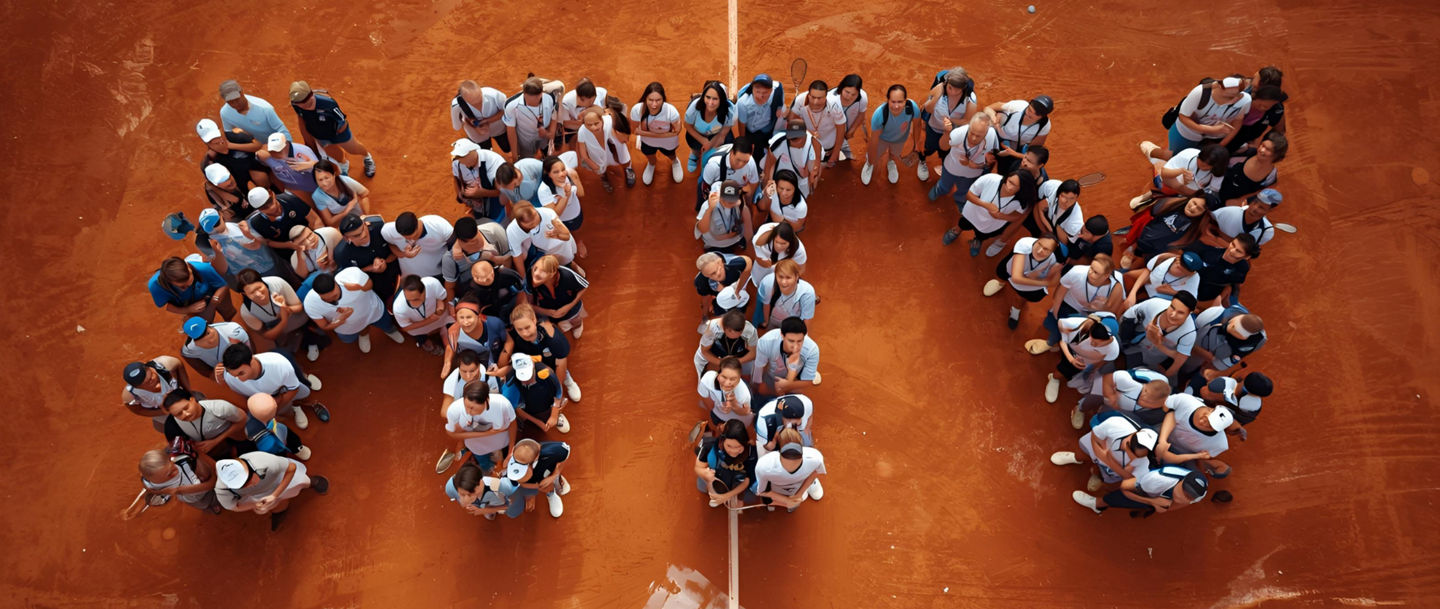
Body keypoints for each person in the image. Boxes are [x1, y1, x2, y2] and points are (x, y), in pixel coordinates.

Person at [1028, 253, 1124, 355]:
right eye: (1091, 268)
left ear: (1106, 275)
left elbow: (1112, 313)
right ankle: (1051, 343)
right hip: (1070, 305)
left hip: (1093, 314)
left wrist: (1102, 308)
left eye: (1096, 272)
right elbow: (1060, 292)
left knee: (1106, 336)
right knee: (1065, 328)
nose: (1090, 272)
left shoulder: (1116, 285)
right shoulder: (1077, 272)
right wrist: (1055, 312)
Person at [221, 342, 327, 428]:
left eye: (241, 373)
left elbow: (294, 389)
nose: (239, 379)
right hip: (274, 394)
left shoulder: (280, 365)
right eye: (234, 375)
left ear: (252, 361)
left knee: (301, 383)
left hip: (285, 380)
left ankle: (304, 379)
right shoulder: (230, 377)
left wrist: (275, 408)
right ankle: (296, 407)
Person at [214, 452, 328, 529]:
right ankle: (280, 511)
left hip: (281, 479)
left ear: (253, 470)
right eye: (241, 486)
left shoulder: (266, 462)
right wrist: (255, 505)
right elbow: (233, 506)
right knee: (275, 507)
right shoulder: (221, 490)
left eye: (248, 480)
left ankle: (312, 482)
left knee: (302, 481)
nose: (249, 486)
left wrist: (274, 495)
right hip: (258, 496)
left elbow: (291, 468)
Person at [302, 268, 405, 353]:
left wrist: (359, 287)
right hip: (349, 328)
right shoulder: (310, 303)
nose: (331, 300)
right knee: (348, 339)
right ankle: (363, 334)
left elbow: (370, 285)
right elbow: (324, 326)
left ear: (336, 283)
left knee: (387, 324)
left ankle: (390, 331)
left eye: (334, 296)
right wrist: (341, 319)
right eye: (326, 299)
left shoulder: (352, 275)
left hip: (373, 311)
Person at [287, 81, 376, 178]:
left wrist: (339, 135)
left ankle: (367, 157)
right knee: (334, 153)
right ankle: (344, 165)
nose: (304, 105)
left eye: (306, 100)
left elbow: (342, 120)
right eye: (299, 103)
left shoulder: (329, 104)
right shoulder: (296, 105)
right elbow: (301, 118)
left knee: (353, 149)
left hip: (338, 132)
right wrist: (309, 137)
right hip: (319, 134)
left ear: (311, 94)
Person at [1148, 76, 1252, 158]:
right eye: (1229, 97)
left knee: (1198, 159)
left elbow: (1238, 122)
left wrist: (1220, 145)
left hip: (1212, 138)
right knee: (1174, 156)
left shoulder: (1245, 100)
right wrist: (1211, 130)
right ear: (1219, 87)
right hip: (1187, 132)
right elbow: (1183, 117)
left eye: (1238, 95)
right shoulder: (1199, 93)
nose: (1234, 100)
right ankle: (1150, 150)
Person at [942, 169, 1037, 258]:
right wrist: (986, 205)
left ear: (1023, 189)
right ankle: (956, 230)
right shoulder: (991, 179)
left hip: (990, 225)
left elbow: (1017, 216)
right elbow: (969, 195)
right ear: (1007, 177)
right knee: (963, 223)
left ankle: (977, 240)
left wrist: (1000, 216)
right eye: (1010, 181)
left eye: (1015, 186)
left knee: (982, 235)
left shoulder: (1023, 200)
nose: (1009, 187)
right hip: (973, 213)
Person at [1050, 417, 1158, 493]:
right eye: (1130, 449)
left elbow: (1130, 479)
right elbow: (1094, 436)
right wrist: (1101, 453)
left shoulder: (1146, 464)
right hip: (1098, 448)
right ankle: (1075, 458)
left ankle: (1097, 475)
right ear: (1133, 434)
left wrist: (1108, 460)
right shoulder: (1118, 423)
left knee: (1105, 478)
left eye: (1137, 456)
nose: (1132, 456)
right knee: (1081, 453)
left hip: (1111, 469)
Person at [1045, 315, 1121, 419]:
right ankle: (1054, 378)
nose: (1093, 344)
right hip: (1071, 353)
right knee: (1063, 370)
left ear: (1110, 339)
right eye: (1092, 338)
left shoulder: (1113, 350)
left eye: (1098, 343)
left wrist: (1093, 370)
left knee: (1072, 372)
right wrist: (1071, 359)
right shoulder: (1075, 324)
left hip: (1083, 362)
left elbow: (1102, 361)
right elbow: (1062, 339)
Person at [235, 269, 323, 358]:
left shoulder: (277, 283)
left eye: (259, 288)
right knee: (284, 350)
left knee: (307, 329)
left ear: (263, 282)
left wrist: (287, 309)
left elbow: (299, 307)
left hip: (293, 316)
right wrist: (284, 320)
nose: (258, 294)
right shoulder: (246, 311)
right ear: (244, 294)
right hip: (275, 327)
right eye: (252, 292)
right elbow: (267, 335)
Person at [505, 303, 581, 403]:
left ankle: (568, 380)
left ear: (534, 320)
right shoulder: (517, 339)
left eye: (527, 327)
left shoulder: (554, 339)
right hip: (535, 364)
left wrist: (557, 392)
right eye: (519, 329)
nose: (524, 333)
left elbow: (560, 364)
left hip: (553, 362)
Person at [984, 234, 1063, 330]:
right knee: (1001, 274)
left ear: (1053, 250)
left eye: (1046, 249)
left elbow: (1054, 281)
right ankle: (1000, 283)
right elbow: (1016, 278)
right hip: (1011, 270)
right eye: (1039, 244)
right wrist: (1044, 282)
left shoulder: (1055, 261)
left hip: (1029, 284)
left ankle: (1016, 309)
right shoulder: (1024, 244)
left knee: (1020, 298)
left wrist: (1046, 276)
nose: (1039, 251)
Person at [991, 178, 1083, 258]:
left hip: (1056, 235)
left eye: (1071, 199)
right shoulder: (1051, 189)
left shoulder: (1075, 221)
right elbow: (1037, 207)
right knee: (1023, 216)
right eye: (1063, 196)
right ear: (1058, 194)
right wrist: (1045, 230)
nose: (1065, 201)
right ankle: (1003, 239)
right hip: (1046, 225)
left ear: (1076, 198)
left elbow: (1064, 242)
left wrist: (1053, 232)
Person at [197, 118, 269, 219]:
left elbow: (258, 145)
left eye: (217, 136)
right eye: (211, 140)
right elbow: (211, 186)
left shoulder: (235, 134)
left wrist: (231, 146)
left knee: (264, 157)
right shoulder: (209, 162)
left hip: (253, 171)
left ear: (220, 129)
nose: (217, 140)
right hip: (236, 184)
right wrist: (229, 203)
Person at [1120, 194, 1214, 270]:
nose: (1193, 208)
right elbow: (1149, 218)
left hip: (1155, 250)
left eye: (1199, 209)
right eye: (1194, 203)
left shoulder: (1194, 228)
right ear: (1191, 198)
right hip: (1143, 237)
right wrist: (1133, 242)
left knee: (1133, 268)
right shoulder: (1172, 204)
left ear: (1203, 214)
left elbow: (1178, 245)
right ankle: (1132, 248)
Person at [1119, 293, 1198, 384]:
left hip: (1155, 359)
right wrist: (1124, 334)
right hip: (1135, 346)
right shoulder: (1154, 304)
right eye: (1172, 307)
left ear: (1189, 313)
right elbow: (1129, 315)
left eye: (1180, 312)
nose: (1173, 314)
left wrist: (1158, 344)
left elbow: (1179, 360)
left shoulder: (1189, 334)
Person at [1071, 464, 1208, 516]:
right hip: (1145, 486)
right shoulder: (1156, 480)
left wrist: (1165, 508)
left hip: (1157, 495)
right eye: (1184, 490)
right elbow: (1125, 489)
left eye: (1190, 496)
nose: (1184, 496)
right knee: (1123, 497)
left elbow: (1182, 504)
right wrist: (1152, 502)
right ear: (1181, 481)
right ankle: (1098, 504)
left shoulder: (1200, 493)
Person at [930, 112, 998, 211]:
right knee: (945, 184)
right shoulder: (959, 133)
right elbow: (943, 147)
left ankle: (960, 200)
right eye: (972, 133)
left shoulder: (992, 135)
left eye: (978, 136)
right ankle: (939, 189)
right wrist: (946, 133)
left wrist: (976, 166)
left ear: (986, 132)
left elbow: (992, 159)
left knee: (964, 190)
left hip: (972, 174)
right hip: (951, 169)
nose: (973, 138)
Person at [918, 68, 977, 181]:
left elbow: (968, 120)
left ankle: (944, 166)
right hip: (933, 128)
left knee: (947, 152)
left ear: (963, 88)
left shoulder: (970, 98)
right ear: (946, 84)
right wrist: (936, 97)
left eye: (957, 90)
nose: (952, 92)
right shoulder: (938, 88)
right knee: (927, 148)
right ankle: (922, 160)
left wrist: (951, 121)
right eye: (950, 88)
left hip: (952, 132)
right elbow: (927, 109)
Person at [446, 379, 518, 472]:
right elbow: (455, 433)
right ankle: (486, 466)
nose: (468, 412)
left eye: (472, 408)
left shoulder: (503, 405)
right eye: (465, 406)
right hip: (475, 445)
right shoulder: (456, 410)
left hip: (499, 442)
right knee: (483, 462)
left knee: (497, 456)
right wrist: (489, 433)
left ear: (486, 400)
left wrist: (510, 451)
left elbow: (512, 424)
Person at [1158, 396, 1237, 479]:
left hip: (1182, 454)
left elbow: (1169, 457)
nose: (1202, 422)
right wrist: (1162, 441)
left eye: (1210, 426)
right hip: (1160, 432)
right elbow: (1169, 411)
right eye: (1206, 418)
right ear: (1210, 409)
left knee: (1195, 478)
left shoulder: (1220, 444)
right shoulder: (1186, 401)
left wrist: (1198, 457)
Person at [196, 208, 281, 283]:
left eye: (216, 224)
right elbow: (221, 270)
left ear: (221, 215)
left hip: (270, 264)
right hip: (251, 277)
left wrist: (250, 236)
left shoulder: (236, 224)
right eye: (210, 228)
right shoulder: (211, 244)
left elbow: (262, 243)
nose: (215, 229)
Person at [1186, 303, 1266, 381]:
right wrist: (1202, 353)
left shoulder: (1257, 340)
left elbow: (1230, 359)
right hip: (1198, 344)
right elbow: (1192, 334)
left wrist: (1211, 364)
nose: (1233, 329)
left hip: (1216, 354)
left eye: (1238, 333)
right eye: (1234, 329)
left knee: (1195, 368)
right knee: (1190, 363)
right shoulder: (1214, 315)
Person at [862, 84, 922, 185]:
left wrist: (916, 145)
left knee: (894, 154)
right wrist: (871, 159)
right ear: (888, 101)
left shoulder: (913, 108)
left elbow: (917, 125)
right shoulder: (879, 115)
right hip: (882, 140)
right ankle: (869, 164)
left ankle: (891, 162)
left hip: (900, 139)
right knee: (875, 155)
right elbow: (874, 140)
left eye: (900, 102)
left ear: (905, 101)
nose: (896, 106)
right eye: (893, 102)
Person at [752, 428, 825, 511]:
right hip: (777, 490)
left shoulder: (815, 459)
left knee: (797, 502)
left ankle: (812, 483)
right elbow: (762, 492)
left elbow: (815, 471)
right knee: (768, 499)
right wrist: (786, 501)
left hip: (798, 487)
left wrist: (799, 495)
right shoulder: (764, 467)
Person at [161, 389, 247, 459]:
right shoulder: (171, 424)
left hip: (234, 440)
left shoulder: (219, 407)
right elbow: (177, 448)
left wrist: (215, 441)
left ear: (192, 399)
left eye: (186, 408)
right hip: (205, 454)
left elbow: (243, 419)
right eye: (178, 414)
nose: (186, 414)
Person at [335, 214, 401, 304]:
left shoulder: (379, 227)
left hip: (397, 271)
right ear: (346, 238)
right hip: (373, 285)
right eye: (357, 235)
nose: (363, 235)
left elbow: (397, 247)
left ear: (365, 223)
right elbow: (349, 277)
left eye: (363, 228)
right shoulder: (342, 253)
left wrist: (385, 261)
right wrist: (371, 268)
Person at [147, 256, 235, 321]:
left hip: (214, 293)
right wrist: (188, 309)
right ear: (169, 282)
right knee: (201, 326)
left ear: (188, 267)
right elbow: (167, 306)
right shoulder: (155, 286)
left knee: (228, 312)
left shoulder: (203, 268)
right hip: (191, 304)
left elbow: (223, 285)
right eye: (183, 286)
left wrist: (213, 303)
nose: (188, 286)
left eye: (191, 279)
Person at [694, 420, 759, 508]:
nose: (733, 451)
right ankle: (705, 432)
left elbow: (748, 480)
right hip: (717, 475)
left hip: (736, 479)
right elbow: (698, 468)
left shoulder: (751, 453)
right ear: (722, 440)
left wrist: (726, 496)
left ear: (745, 443)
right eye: (729, 446)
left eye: (738, 447)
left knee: (750, 498)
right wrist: (706, 475)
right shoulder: (710, 446)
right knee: (701, 486)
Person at [501, 438, 572, 518]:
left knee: (546, 484)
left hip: (546, 471)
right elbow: (519, 483)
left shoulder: (554, 451)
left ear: (535, 459)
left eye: (524, 468)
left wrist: (554, 475)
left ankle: (551, 492)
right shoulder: (510, 467)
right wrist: (531, 493)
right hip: (531, 482)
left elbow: (565, 456)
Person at [630, 81, 685, 184]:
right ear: (645, 98)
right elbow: (634, 130)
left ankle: (675, 162)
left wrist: (643, 133)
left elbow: (677, 131)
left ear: (663, 99)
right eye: (650, 100)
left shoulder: (671, 111)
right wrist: (665, 134)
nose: (654, 104)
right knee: (650, 155)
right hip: (648, 142)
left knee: (671, 154)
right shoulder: (637, 109)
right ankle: (651, 164)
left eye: (658, 100)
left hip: (668, 142)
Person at [443, 217, 511, 298]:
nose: (476, 245)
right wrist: (451, 304)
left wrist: (503, 280)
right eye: (471, 244)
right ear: (459, 241)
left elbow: (508, 259)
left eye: (477, 239)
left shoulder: (495, 231)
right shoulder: (449, 259)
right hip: (471, 293)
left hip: (498, 281)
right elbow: (450, 287)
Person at [985, 95, 1053, 175]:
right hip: (995, 139)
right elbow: (988, 108)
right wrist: (994, 118)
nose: (1029, 113)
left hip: (1013, 150)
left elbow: (1033, 152)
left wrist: (1013, 153)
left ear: (1042, 116)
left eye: (1035, 114)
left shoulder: (1044, 126)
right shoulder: (1018, 106)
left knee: (1006, 174)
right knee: (985, 163)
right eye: (1029, 109)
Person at [752, 317, 821, 396]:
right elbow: (759, 366)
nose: (795, 346)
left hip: (795, 380)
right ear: (782, 335)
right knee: (763, 391)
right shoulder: (765, 341)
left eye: (799, 341)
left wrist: (787, 385)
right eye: (791, 341)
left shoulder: (812, 350)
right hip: (772, 377)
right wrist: (757, 385)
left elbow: (807, 382)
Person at [138, 447, 220, 514]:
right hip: (195, 497)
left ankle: (210, 505)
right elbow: (211, 484)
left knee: (209, 497)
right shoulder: (150, 483)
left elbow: (211, 484)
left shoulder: (187, 470)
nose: (176, 470)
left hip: (196, 491)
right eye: (170, 474)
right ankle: (210, 505)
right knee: (204, 503)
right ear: (153, 479)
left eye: (171, 463)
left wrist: (160, 491)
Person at [440, 300, 507, 379]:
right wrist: (447, 362)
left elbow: (507, 340)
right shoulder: (454, 328)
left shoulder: (495, 328)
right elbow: (450, 345)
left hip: (488, 358)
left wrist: (505, 353)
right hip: (465, 356)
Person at [505, 203, 576, 278]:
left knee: (568, 259)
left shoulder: (549, 213)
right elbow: (517, 256)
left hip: (562, 245)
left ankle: (572, 264)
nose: (535, 225)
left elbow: (566, 235)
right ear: (520, 224)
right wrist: (523, 280)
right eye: (531, 225)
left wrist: (558, 235)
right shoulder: (512, 230)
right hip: (547, 250)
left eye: (536, 218)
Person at [1187, 234, 1260, 307]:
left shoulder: (1243, 268)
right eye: (1233, 244)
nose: (1232, 250)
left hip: (1210, 296)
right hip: (1189, 286)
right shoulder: (1210, 251)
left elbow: (1235, 283)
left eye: (1238, 251)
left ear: (1247, 257)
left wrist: (1223, 295)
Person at [536, 154, 587, 257]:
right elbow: (555, 214)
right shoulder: (543, 190)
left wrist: (575, 178)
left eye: (563, 169)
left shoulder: (569, 175)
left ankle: (579, 242)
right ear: (548, 174)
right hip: (560, 222)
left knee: (577, 230)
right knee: (562, 238)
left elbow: (581, 193)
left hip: (575, 214)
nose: (562, 174)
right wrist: (566, 195)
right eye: (556, 172)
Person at [505, 353, 569, 434]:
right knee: (531, 424)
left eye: (529, 376)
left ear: (533, 367)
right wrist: (538, 423)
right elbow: (518, 409)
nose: (526, 381)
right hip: (529, 410)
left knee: (556, 407)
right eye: (522, 378)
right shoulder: (511, 383)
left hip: (548, 403)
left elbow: (558, 392)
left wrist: (554, 415)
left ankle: (557, 416)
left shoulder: (547, 373)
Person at [789, 79, 846, 168]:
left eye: (819, 98)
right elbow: (792, 120)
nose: (815, 102)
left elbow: (841, 129)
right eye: (813, 97)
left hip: (828, 147)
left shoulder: (834, 105)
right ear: (808, 95)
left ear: (826, 97)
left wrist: (835, 153)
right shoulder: (800, 100)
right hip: (807, 145)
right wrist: (806, 131)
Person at [392, 274, 454, 356]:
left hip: (439, 317)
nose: (412, 303)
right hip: (419, 328)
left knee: (450, 327)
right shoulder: (398, 307)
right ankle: (423, 340)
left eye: (416, 299)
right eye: (408, 299)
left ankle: (443, 331)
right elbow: (406, 327)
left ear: (424, 291)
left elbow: (444, 298)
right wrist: (430, 320)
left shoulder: (432, 283)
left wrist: (441, 306)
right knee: (420, 336)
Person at [530, 254, 590, 339]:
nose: (535, 274)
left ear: (552, 274)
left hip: (571, 308)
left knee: (575, 320)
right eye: (535, 268)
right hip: (548, 311)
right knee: (556, 326)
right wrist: (548, 312)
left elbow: (585, 286)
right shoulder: (529, 277)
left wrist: (567, 307)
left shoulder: (567, 275)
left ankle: (577, 326)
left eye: (542, 272)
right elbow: (528, 304)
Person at [1227, 68, 1287, 153]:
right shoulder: (1239, 88)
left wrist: (1261, 145)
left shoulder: (1276, 108)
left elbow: (1279, 131)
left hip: (1244, 140)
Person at [245, 187, 313, 261]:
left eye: (270, 201)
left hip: (310, 237)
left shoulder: (290, 200)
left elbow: (315, 221)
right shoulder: (256, 222)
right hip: (290, 252)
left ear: (272, 194)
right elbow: (267, 241)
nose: (272, 207)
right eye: (265, 207)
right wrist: (288, 245)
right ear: (259, 209)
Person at [121, 357, 191, 429]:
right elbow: (139, 410)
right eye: (146, 383)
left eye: (151, 376)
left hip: (182, 398)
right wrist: (165, 412)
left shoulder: (168, 364)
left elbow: (179, 366)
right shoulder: (130, 396)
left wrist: (189, 392)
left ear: (151, 368)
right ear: (137, 387)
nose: (152, 382)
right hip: (161, 411)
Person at [575, 107, 633, 192]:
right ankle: (604, 176)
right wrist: (593, 165)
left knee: (624, 159)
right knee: (600, 169)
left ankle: (628, 169)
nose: (593, 127)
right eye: (589, 125)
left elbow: (613, 114)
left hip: (613, 148)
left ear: (602, 119)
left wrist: (621, 136)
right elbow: (583, 154)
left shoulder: (609, 121)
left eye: (596, 123)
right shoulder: (582, 132)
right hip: (597, 155)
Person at [451, 138, 509, 222]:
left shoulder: (494, 162)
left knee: (499, 221)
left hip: (495, 204)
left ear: (472, 154)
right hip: (477, 205)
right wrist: (460, 194)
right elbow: (456, 178)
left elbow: (502, 191)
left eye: (465, 161)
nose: (464, 165)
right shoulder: (457, 163)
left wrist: (481, 193)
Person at [383, 211, 454, 280]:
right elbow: (391, 244)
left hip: (437, 275)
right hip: (409, 278)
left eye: (414, 236)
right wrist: (404, 254)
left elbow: (455, 247)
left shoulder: (438, 226)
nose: (411, 240)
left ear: (418, 224)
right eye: (406, 238)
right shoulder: (389, 231)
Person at [1217, 132, 1285, 204]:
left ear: (1276, 155)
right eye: (1262, 145)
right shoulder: (1248, 152)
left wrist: (1241, 200)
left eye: (1268, 149)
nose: (1262, 150)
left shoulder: (1271, 175)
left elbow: (1263, 191)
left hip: (1231, 202)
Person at [734, 74, 786, 167]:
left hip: (767, 128)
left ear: (771, 90)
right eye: (757, 92)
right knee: (754, 157)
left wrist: (779, 107)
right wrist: (744, 142)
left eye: (765, 92)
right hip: (751, 131)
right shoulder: (743, 103)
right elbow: (742, 123)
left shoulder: (777, 90)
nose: (761, 96)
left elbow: (780, 90)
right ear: (752, 89)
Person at [683, 81, 736, 172]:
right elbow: (687, 125)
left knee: (726, 146)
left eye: (715, 99)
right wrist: (703, 140)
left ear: (722, 100)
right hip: (696, 134)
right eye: (708, 97)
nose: (710, 103)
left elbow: (722, 134)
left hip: (717, 134)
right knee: (695, 146)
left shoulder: (730, 110)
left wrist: (711, 147)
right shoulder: (694, 107)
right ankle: (694, 154)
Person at [502, 76, 559, 160]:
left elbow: (554, 118)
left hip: (544, 135)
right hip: (525, 139)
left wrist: (551, 139)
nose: (533, 104)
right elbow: (511, 131)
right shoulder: (511, 105)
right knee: (527, 159)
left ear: (541, 94)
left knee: (546, 151)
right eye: (529, 102)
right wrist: (515, 156)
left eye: (536, 100)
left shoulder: (550, 98)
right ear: (524, 93)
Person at [1123, 250, 1204, 308]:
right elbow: (1147, 271)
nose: (1179, 267)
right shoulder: (1164, 258)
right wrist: (1133, 293)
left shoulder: (1194, 278)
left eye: (1183, 270)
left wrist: (1172, 292)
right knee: (1126, 277)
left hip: (1158, 300)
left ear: (1191, 273)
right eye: (1180, 263)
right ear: (1178, 258)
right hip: (1147, 284)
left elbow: (1191, 302)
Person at [762, 119, 822, 197]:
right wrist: (768, 184)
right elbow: (769, 166)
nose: (794, 140)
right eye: (792, 137)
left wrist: (812, 175)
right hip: (782, 177)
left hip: (801, 180)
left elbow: (815, 167)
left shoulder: (813, 144)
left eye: (797, 138)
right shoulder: (778, 143)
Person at [750, 221, 808, 301]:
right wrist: (759, 260)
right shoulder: (760, 239)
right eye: (777, 242)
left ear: (790, 242)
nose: (779, 246)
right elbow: (754, 252)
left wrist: (788, 277)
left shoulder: (799, 249)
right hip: (764, 263)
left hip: (784, 265)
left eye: (783, 244)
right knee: (760, 283)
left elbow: (801, 269)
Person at [217, 80, 291, 141]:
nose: (235, 104)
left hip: (276, 146)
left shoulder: (265, 108)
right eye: (230, 102)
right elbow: (229, 133)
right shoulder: (224, 113)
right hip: (255, 147)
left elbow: (282, 130)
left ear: (242, 92)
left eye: (237, 99)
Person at [694, 309, 759, 379]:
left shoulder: (750, 330)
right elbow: (705, 351)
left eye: (740, 332)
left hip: (738, 354)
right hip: (714, 352)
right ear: (725, 328)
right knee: (706, 375)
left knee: (747, 372)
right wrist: (721, 362)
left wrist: (737, 361)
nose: (736, 335)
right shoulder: (712, 328)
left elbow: (753, 353)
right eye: (731, 333)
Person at [698, 139, 759, 212]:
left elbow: (754, 182)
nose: (741, 165)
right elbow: (706, 189)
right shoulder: (713, 166)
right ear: (731, 153)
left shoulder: (750, 162)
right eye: (738, 160)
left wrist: (748, 202)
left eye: (745, 161)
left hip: (735, 193)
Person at [245, 394, 311, 461]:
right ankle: (296, 451)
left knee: (282, 450)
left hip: (267, 443)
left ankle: (294, 451)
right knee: (289, 441)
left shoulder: (250, 419)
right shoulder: (272, 426)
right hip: (273, 442)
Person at [179, 316, 252, 377]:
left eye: (207, 333)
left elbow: (251, 353)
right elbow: (206, 372)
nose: (210, 340)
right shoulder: (190, 350)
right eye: (200, 338)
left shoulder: (234, 332)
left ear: (209, 326)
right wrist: (216, 375)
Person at [1207, 188, 1281, 247]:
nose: (1254, 208)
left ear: (1270, 210)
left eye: (1261, 207)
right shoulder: (1227, 212)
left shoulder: (1267, 232)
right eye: (1255, 202)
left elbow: (1249, 250)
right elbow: (1205, 226)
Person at [1097, 369, 1173, 427]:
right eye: (1150, 404)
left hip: (1114, 406)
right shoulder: (1130, 385)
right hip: (1101, 391)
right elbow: (1107, 378)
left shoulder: (1158, 406)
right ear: (1144, 397)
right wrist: (1110, 396)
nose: (1149, 407)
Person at [756, 259, 816, 331]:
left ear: (797, 276)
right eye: (780, 277)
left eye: (788, 277)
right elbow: (766, 304)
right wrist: (766, 322)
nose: (783, 282)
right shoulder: (769, 284)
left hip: (792, 324)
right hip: (773, 319)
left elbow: (806, 318)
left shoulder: (806, 292)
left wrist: (804, 335)